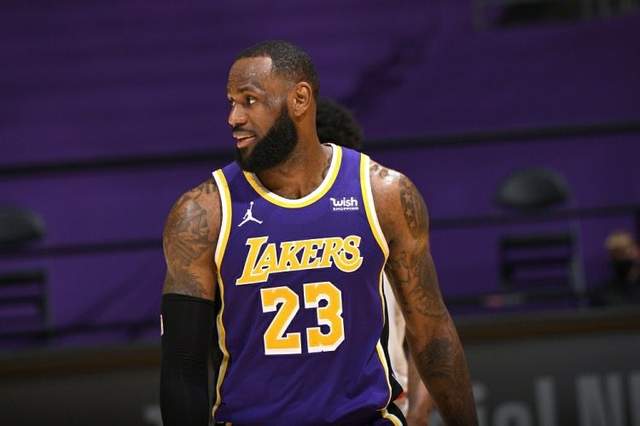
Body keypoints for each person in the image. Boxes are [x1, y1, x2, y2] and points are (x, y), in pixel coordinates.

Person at [160, 40, 477, 426]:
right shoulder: (201, 213)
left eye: (249, 100)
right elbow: (183, 366)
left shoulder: (384, 194)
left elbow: (432, 334)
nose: (233, 117)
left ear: (300, 99)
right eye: (231, 102)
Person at [316, 96, 436, 425]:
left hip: (388, 406)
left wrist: (417, 414)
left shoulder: (381, 221)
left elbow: (428, 334)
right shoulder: (274, 243)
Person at [591, 230, 640, 306]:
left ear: (637, 251)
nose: (621, 257)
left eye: (624, 252)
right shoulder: (602, 293)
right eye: (616, 253)